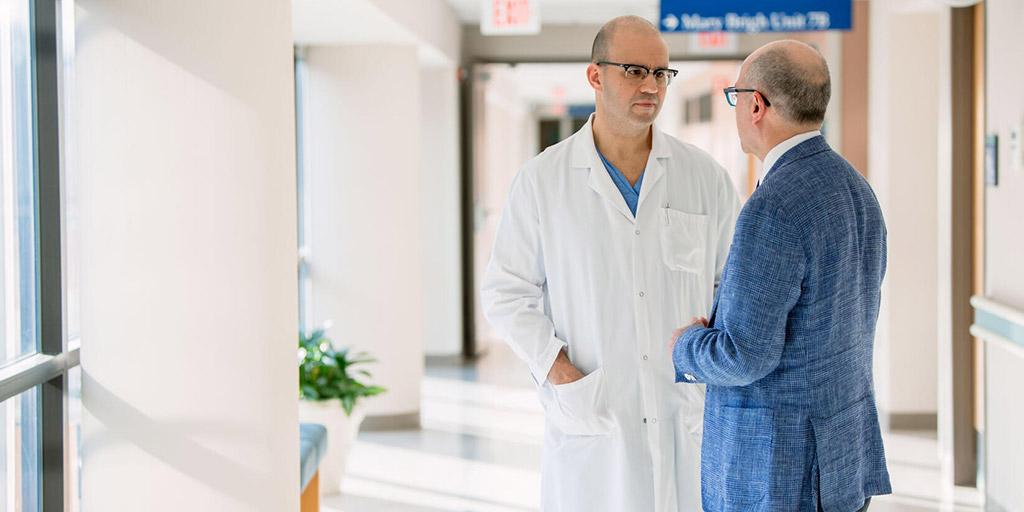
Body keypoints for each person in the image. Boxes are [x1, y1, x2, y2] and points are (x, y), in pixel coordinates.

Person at [481, 15, 740, 512]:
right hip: (592, 416)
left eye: (661, 73)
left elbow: (730, 286)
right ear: (595, 76)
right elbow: (505, 291)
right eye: (634, 70)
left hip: (685, 414)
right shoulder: (543, 180)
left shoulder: (704, 177)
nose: (652, 86)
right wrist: (558, 369)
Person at [669, 40, 891, 512]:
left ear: (756, 105)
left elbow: (743, 357)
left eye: (735, 96)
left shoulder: (773, 206)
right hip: (841, 456)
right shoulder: (857, 189)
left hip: (779, 471)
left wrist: (686, 345)